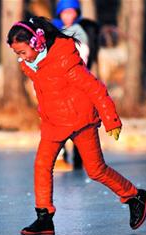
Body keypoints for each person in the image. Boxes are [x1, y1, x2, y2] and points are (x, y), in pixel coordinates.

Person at [7, 17, 146, 235]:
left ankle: (134, 195)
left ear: (37, 43)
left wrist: (111, 118)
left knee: (96, 170)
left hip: (80, 120)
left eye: (22, 52)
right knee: (42, 165)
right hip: (53, 122)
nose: (20, 58)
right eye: (17, 53)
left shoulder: (65, 61)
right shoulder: (32, 64)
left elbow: (95, 88)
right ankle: (44, 217)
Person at [52, 0, 100, 170]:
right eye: (65, 13)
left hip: (73, 83)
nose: (68, 16)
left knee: (78, 122)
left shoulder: (79, 32)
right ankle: (61, 155)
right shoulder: (54, 30)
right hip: (58, 85)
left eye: (72, 13)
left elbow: (82, 58)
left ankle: (82, 157)